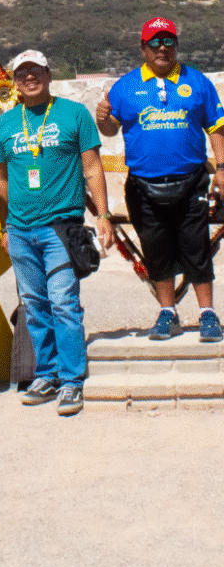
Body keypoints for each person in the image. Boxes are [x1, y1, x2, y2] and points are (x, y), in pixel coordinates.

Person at [0, 51, 114, 417]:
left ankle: (72, 380)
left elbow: (92, 168)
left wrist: (104, 215)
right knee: (34, 305)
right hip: (20, 230)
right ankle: (46, 374)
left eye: (36, 71)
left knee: (63, 302)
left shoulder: (73, 114)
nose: (29, 78)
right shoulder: (6, 123)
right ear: (15, 81)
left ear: (48, 74)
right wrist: (5, 226)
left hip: (62, 227)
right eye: (21, 73)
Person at [96, 17, 224, 341]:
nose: (162, 48)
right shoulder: (125, 87)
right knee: (156, 250)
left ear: (176, 45)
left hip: (191, 181)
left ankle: (208, 314)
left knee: (197, 247)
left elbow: (216, 128)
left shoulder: (198, 82)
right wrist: (102, 120)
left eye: (168, 41)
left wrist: (221, 169)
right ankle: (168, 313)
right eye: (154, 42)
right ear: (143, 48)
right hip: (143, 186)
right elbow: (111, 128)